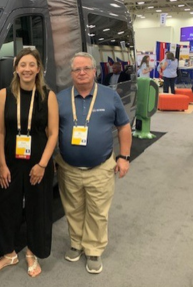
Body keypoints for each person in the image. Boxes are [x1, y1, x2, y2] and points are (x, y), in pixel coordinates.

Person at [56, 52, 132, 274]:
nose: (81, 73)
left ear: (94, 71)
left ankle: (94, 249)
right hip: (68, 167)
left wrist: (124, 157)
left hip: (100, 167)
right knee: (73, 208)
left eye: (86, 68)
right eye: (77, 69)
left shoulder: (109, 96)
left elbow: (124, 126)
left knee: (97, 211)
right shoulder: (60, 98)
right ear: (71, 74)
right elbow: (51, 131)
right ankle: (77, 243)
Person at [0, 48, 58, 278]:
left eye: (31, 65)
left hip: (39, 161)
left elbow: (53, 133)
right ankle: (8, 252)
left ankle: (32, 252)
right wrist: (2, 164)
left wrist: (43, 164)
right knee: (5, 206)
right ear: (16, 68)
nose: (27, 69)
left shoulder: (48, 95)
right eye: (22, 65)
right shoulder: (4, 95)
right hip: (11, 161)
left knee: (38, 207)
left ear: (39, 69)